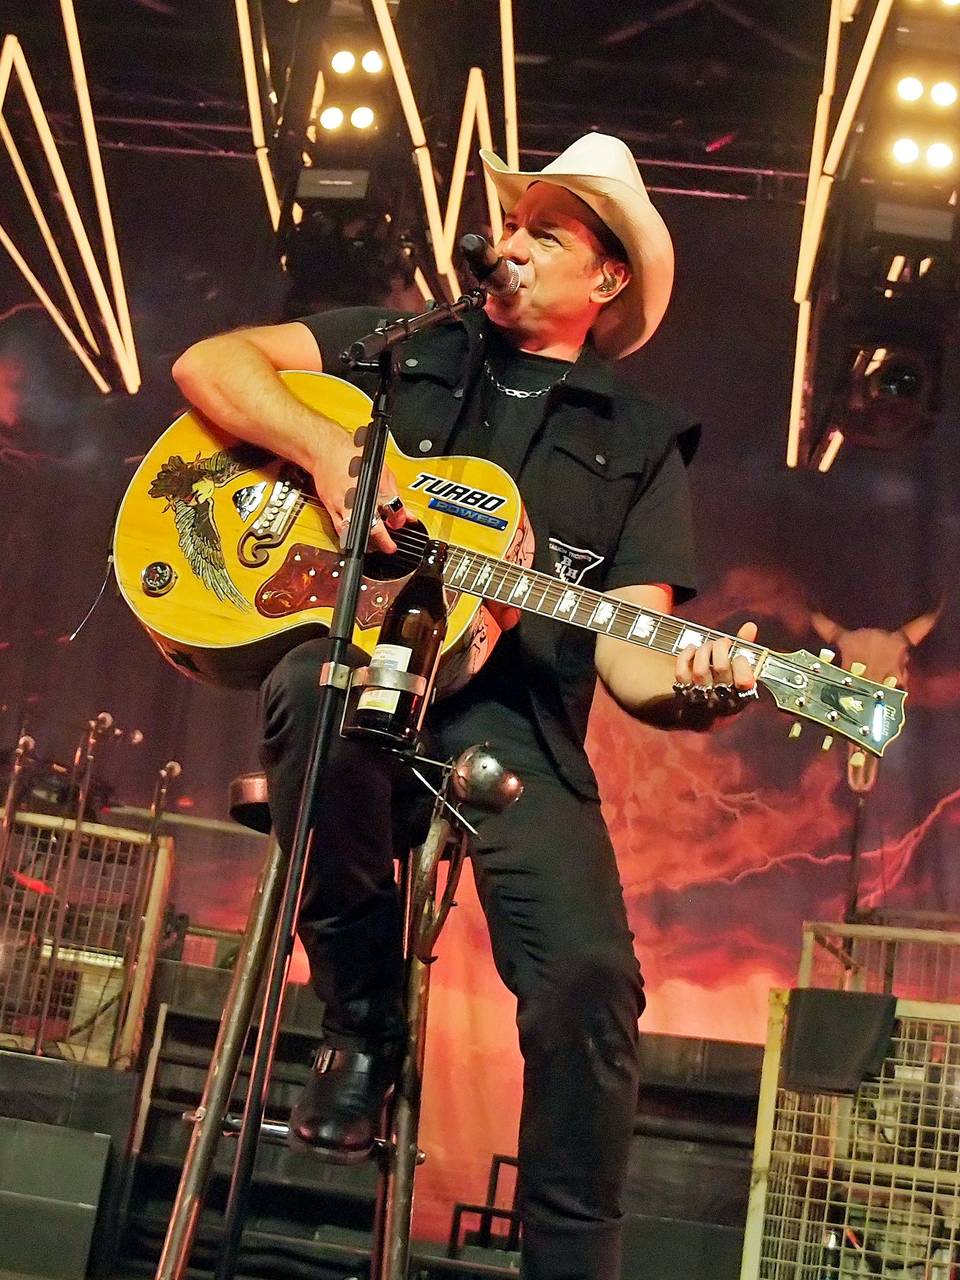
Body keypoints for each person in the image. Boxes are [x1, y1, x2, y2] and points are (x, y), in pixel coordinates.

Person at [172, 133, 759, 1280]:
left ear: (607, 278)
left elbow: (637, 658)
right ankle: (360, 1020)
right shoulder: (401, 348)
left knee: (589, 981)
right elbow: (210, 364)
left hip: (516, 726)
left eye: (548, 231)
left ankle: (571, 1259)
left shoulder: (639, 441)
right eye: (515, 223)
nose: (513, 243)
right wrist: (332, 449)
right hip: (367, 670)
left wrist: (706, 685)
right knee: (310, 683)